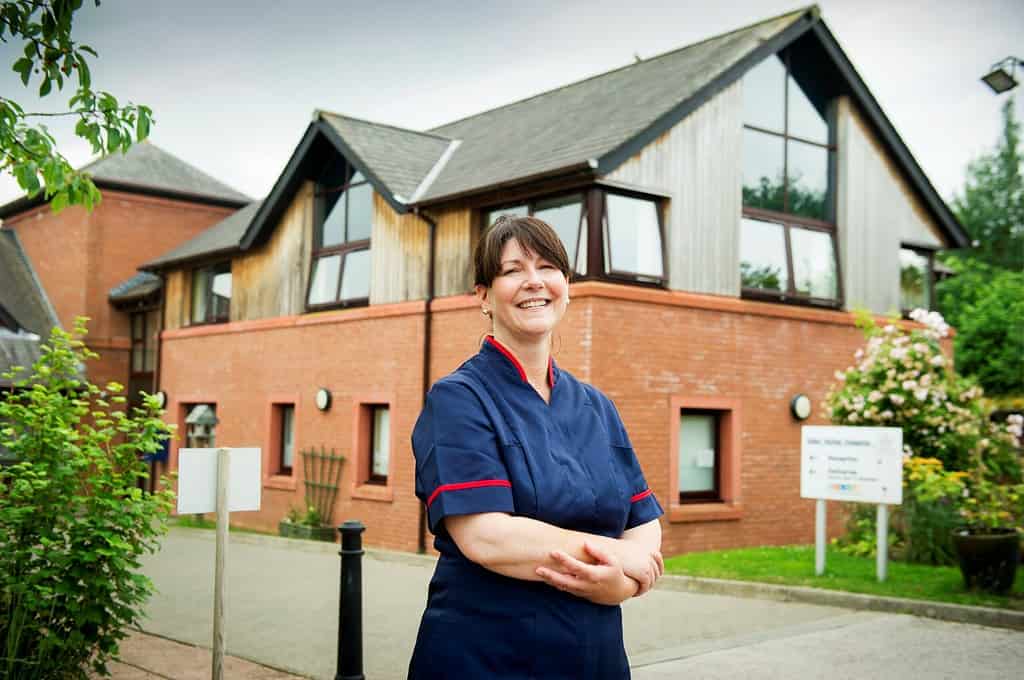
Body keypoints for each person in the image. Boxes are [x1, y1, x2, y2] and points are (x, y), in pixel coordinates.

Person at [408, 215, 664, 679]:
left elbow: (642, 524)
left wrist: (617, 586)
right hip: (488, 657)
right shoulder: (459, 399)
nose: (534, 282)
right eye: (512, 270)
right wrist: (614, 557)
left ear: (566, 284)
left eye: (547, 267)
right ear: (483, 295)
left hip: (595, 658)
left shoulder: (596, 406)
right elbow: (487, 537)